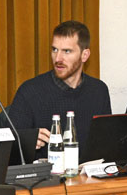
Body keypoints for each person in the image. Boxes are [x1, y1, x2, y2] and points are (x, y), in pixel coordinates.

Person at [8, 20, 112, 157]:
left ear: (84, 55)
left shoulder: (99, 90)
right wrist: (27, 141)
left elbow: (107, 144)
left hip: (89, 176)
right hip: (46, 176)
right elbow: (8, 148)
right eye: (54, 50)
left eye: (67, 51)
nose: (58, 58)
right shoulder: (29, 91)